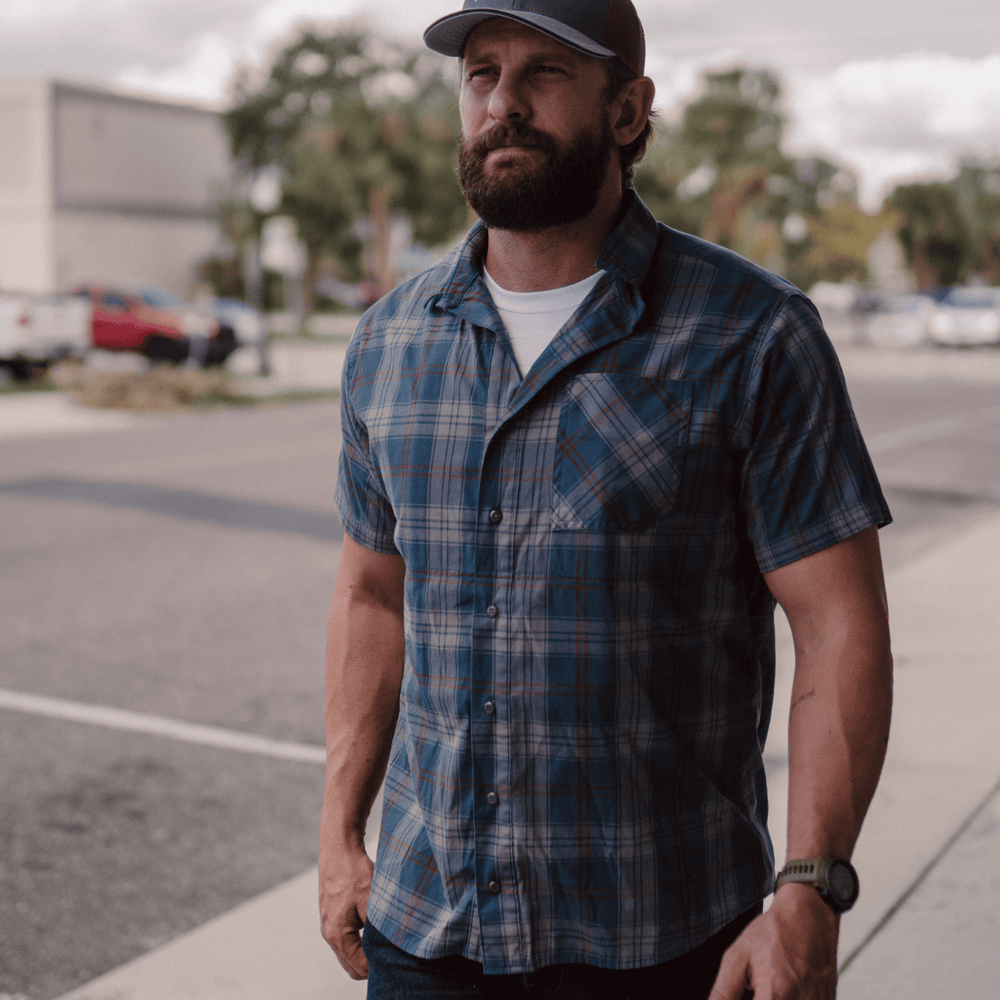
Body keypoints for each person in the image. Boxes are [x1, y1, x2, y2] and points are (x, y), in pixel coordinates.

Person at [319, 1, 893, 997]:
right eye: (482, 73)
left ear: (627, 111)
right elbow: (371, 593)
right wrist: (337, 834)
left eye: (543, 73)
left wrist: (807, 890)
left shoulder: (753, 335)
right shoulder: (387, 342)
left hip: (665, 943)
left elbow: (837, 624)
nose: (502, 102)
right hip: (424, 933)